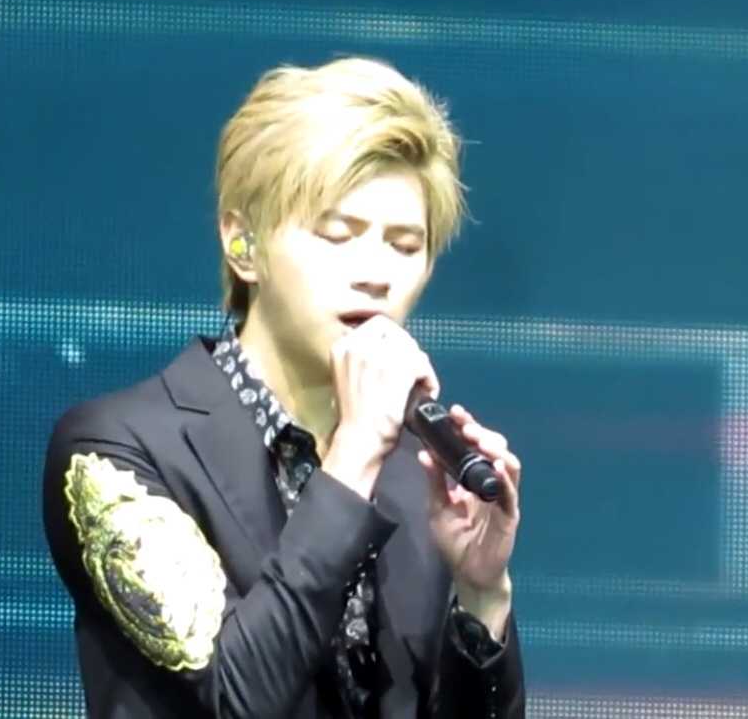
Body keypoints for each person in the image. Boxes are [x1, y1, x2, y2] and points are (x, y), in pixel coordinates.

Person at [42, 55, 525, 718]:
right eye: (338, 235)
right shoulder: (118, 450)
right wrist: (354, 455)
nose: (375, 273)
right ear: (243, 244)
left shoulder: (420, 482)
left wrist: (482, 595)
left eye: (405, 245)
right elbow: (236, 699)